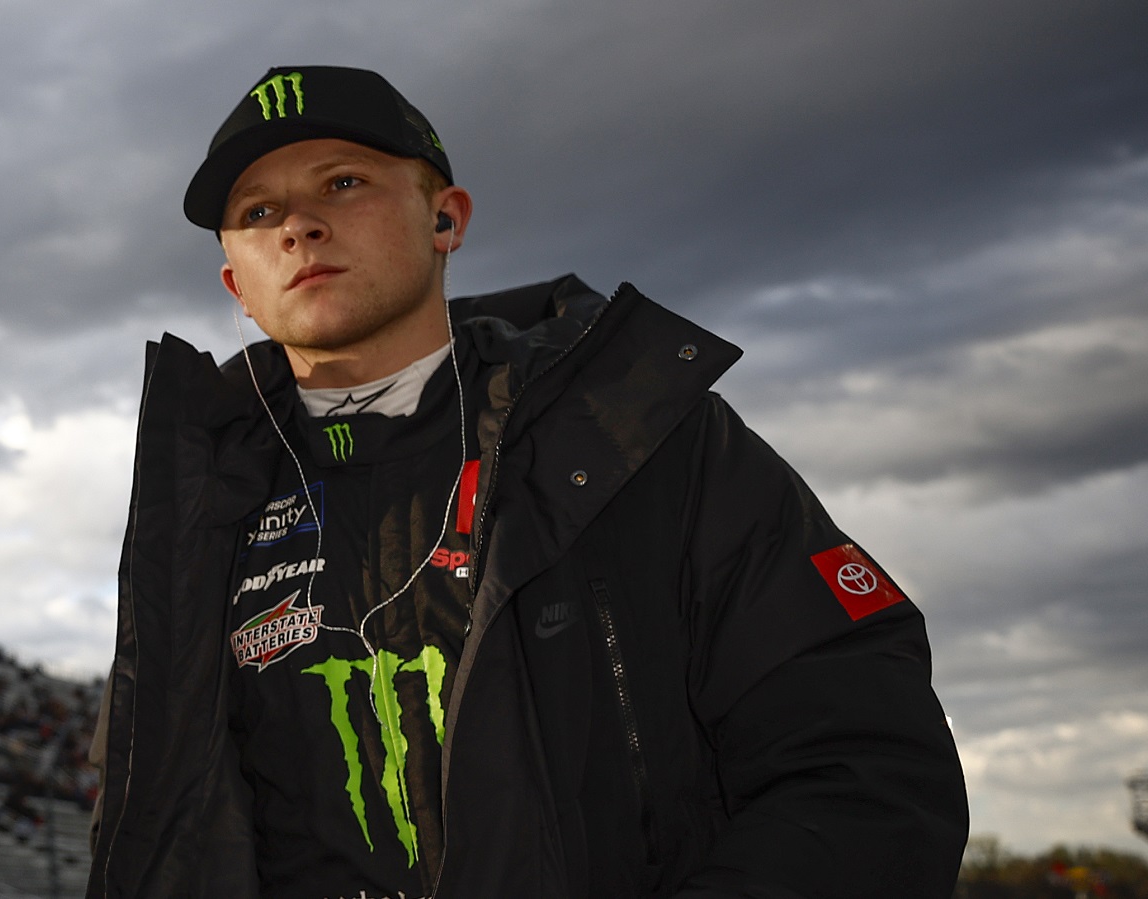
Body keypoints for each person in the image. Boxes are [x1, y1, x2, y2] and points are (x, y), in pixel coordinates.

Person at [86, 65, 968, 898]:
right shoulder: (196, 510)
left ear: (446, 218)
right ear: (237, 281)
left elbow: (870, 766)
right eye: (259, 209)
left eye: (343, 183)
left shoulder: (636, 428)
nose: (299, 225)